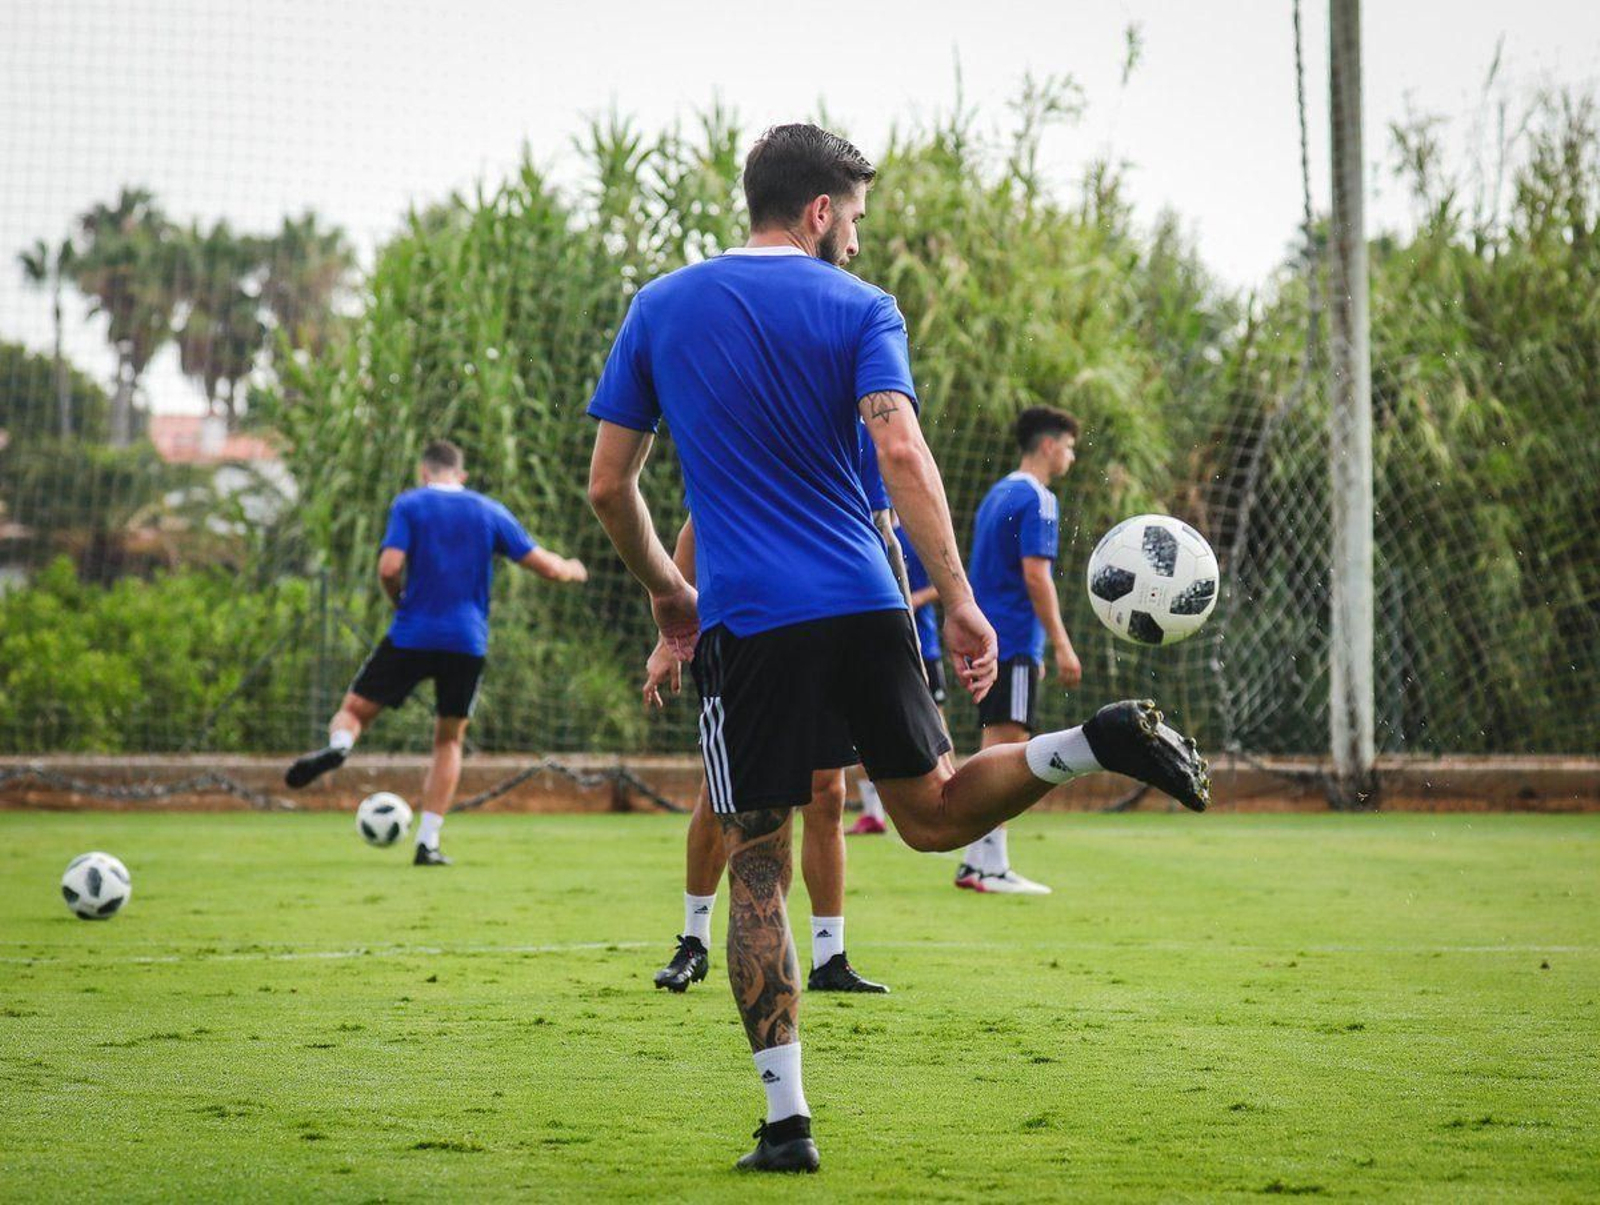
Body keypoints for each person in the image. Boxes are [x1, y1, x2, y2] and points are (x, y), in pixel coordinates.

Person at [585, 123, 1208, 1174]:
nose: (861, 244)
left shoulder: (659, 306)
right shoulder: (863, 309)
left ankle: (787, 1123)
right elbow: (899, 446)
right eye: (857, 220)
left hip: (749, 626)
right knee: (930, 812)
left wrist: (667, 595)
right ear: (820, 211)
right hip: (869, 604)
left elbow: (610, 486)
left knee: (756, 863)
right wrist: (959, 601)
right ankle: (1088, 743)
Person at [285, 440, 587, 865]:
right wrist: (573, 568)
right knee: (448, 740)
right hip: (466, 642)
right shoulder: (488, 510)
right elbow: (549, 567)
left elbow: (389, 568)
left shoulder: (410, 505)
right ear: (460, 475)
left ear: (423, 472)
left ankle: (339, 746)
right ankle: (428, 842)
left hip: (411, 635)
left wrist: (400, 599)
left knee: (353, 711)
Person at [645, 519, 888, 995]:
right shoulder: (741, 449)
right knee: (721, 794)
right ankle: (693, 942)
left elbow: (879, 534)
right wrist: (667, 636)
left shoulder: (858, 450)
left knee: (828, 793)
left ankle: (829, 957)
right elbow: (696, 530)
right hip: (741, 633)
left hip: (824, 631)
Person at [954, 408, 1083, 895]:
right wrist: (1061, 643)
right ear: (1048, 446)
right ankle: (989, 866)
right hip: (1010, 639)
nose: (1071, 456)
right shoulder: (1039, 499)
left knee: (996, 745)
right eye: (1069, 447)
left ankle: (976, 862)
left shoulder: (997, 493)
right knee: (1007, 754)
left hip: (993, 638)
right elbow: (1035, 575)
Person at [850, 520, 944, 836]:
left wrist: (908, 598)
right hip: (867, 644)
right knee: (861, 728)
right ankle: (873, 813)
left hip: (920, 646)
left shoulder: (915, 531)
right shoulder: (858, 526)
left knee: (933, 723)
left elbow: (942, 582)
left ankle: (946, 791)